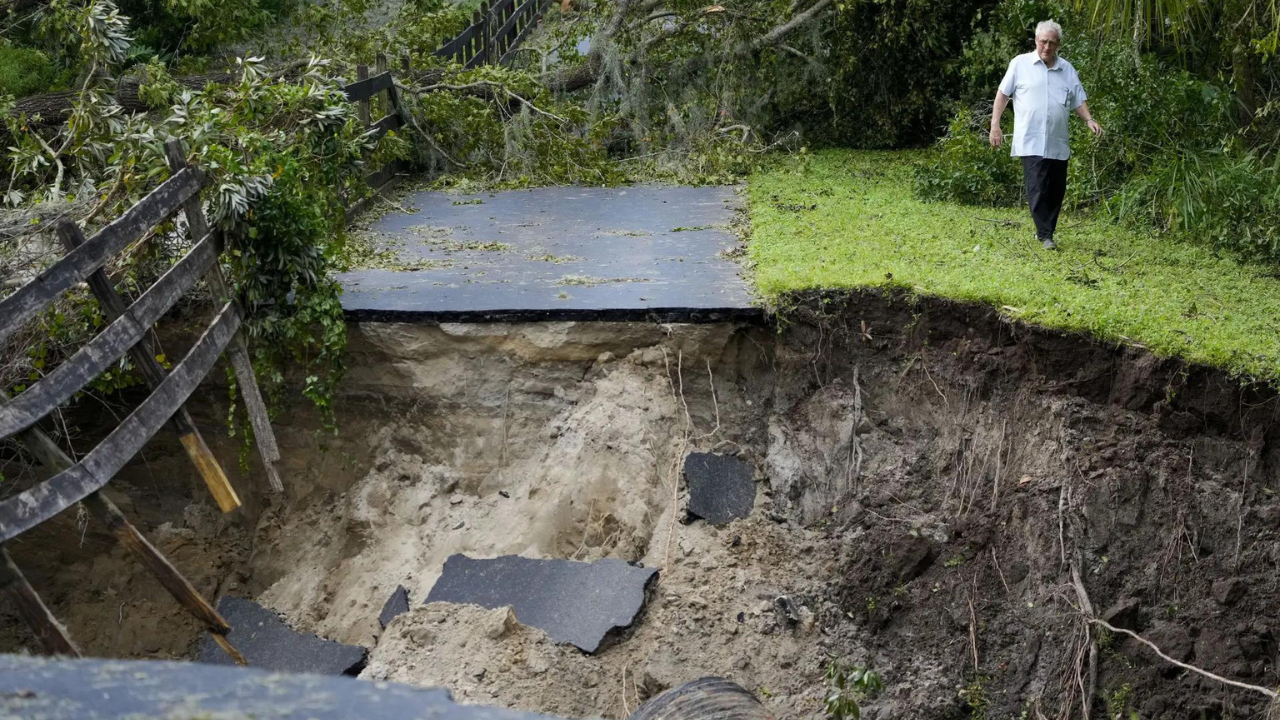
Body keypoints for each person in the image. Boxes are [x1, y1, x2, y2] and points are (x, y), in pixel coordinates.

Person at [989, 20, 1103, 250]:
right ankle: (1045, 234)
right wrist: (995, 125)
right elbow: (1002, 94)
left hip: (1057, 140)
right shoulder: (1020, 64)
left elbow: (1078, 99)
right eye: (1043, 41)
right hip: (1030, 139)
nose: (1047, 47)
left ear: (1058, 45)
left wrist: (1089, 119)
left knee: (1056, 188)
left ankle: (1046, 230)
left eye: (1052, 43)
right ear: (1036, 41)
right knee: (1038, 186)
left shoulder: (1067, 69)